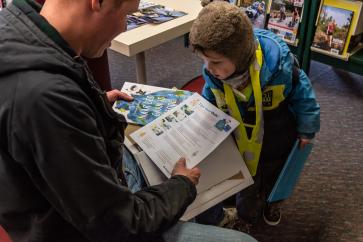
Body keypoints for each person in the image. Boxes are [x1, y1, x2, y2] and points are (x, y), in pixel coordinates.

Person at [0, 0, 257, 242]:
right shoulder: (47, 99)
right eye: (126, 15)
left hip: (77, 204)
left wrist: (91, 104)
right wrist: (182, 184)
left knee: (142, 151)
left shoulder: (22, 30)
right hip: (89, 229)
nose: (124, 27)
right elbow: (120, 224)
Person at [189, 1, 320, 230]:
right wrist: (203, 126)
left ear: (238, 56)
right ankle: (245, 218)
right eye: (205, 61)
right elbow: (208, 101)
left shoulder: (279, 66)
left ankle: (272, 203)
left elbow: (304, 96)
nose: (208, 68)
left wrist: (308, 128)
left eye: (216, 62)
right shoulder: (215, 76)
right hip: (242, 141)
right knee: (245, 181)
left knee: (274, 178)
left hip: (276, 136)